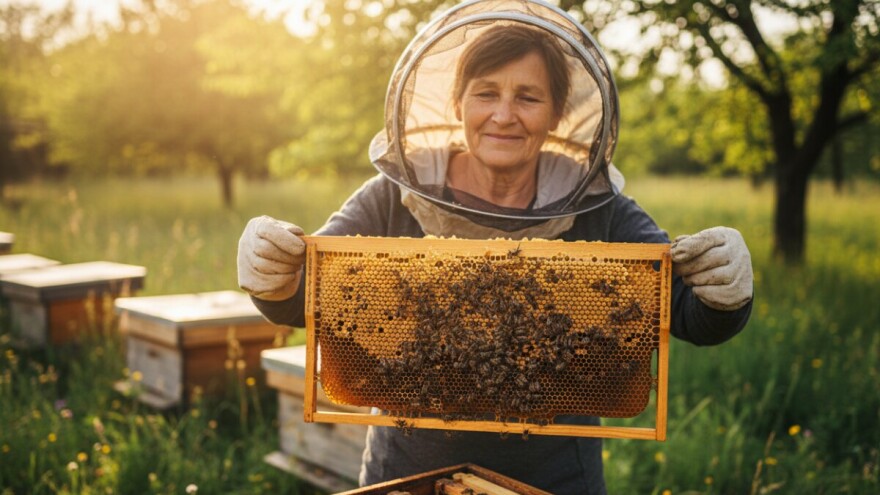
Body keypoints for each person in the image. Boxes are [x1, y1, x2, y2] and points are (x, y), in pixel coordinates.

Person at [237, 2, 752, 493]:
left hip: (555, 478)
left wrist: (726, 292)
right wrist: (272, 275)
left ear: (555, 114)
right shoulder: (394, 196)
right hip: (407, 473)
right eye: (486, 93)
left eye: (528, 97)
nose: (504, 115)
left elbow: (687, 313)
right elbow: (308, 294)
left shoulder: (600, 208)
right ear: (458, 102)